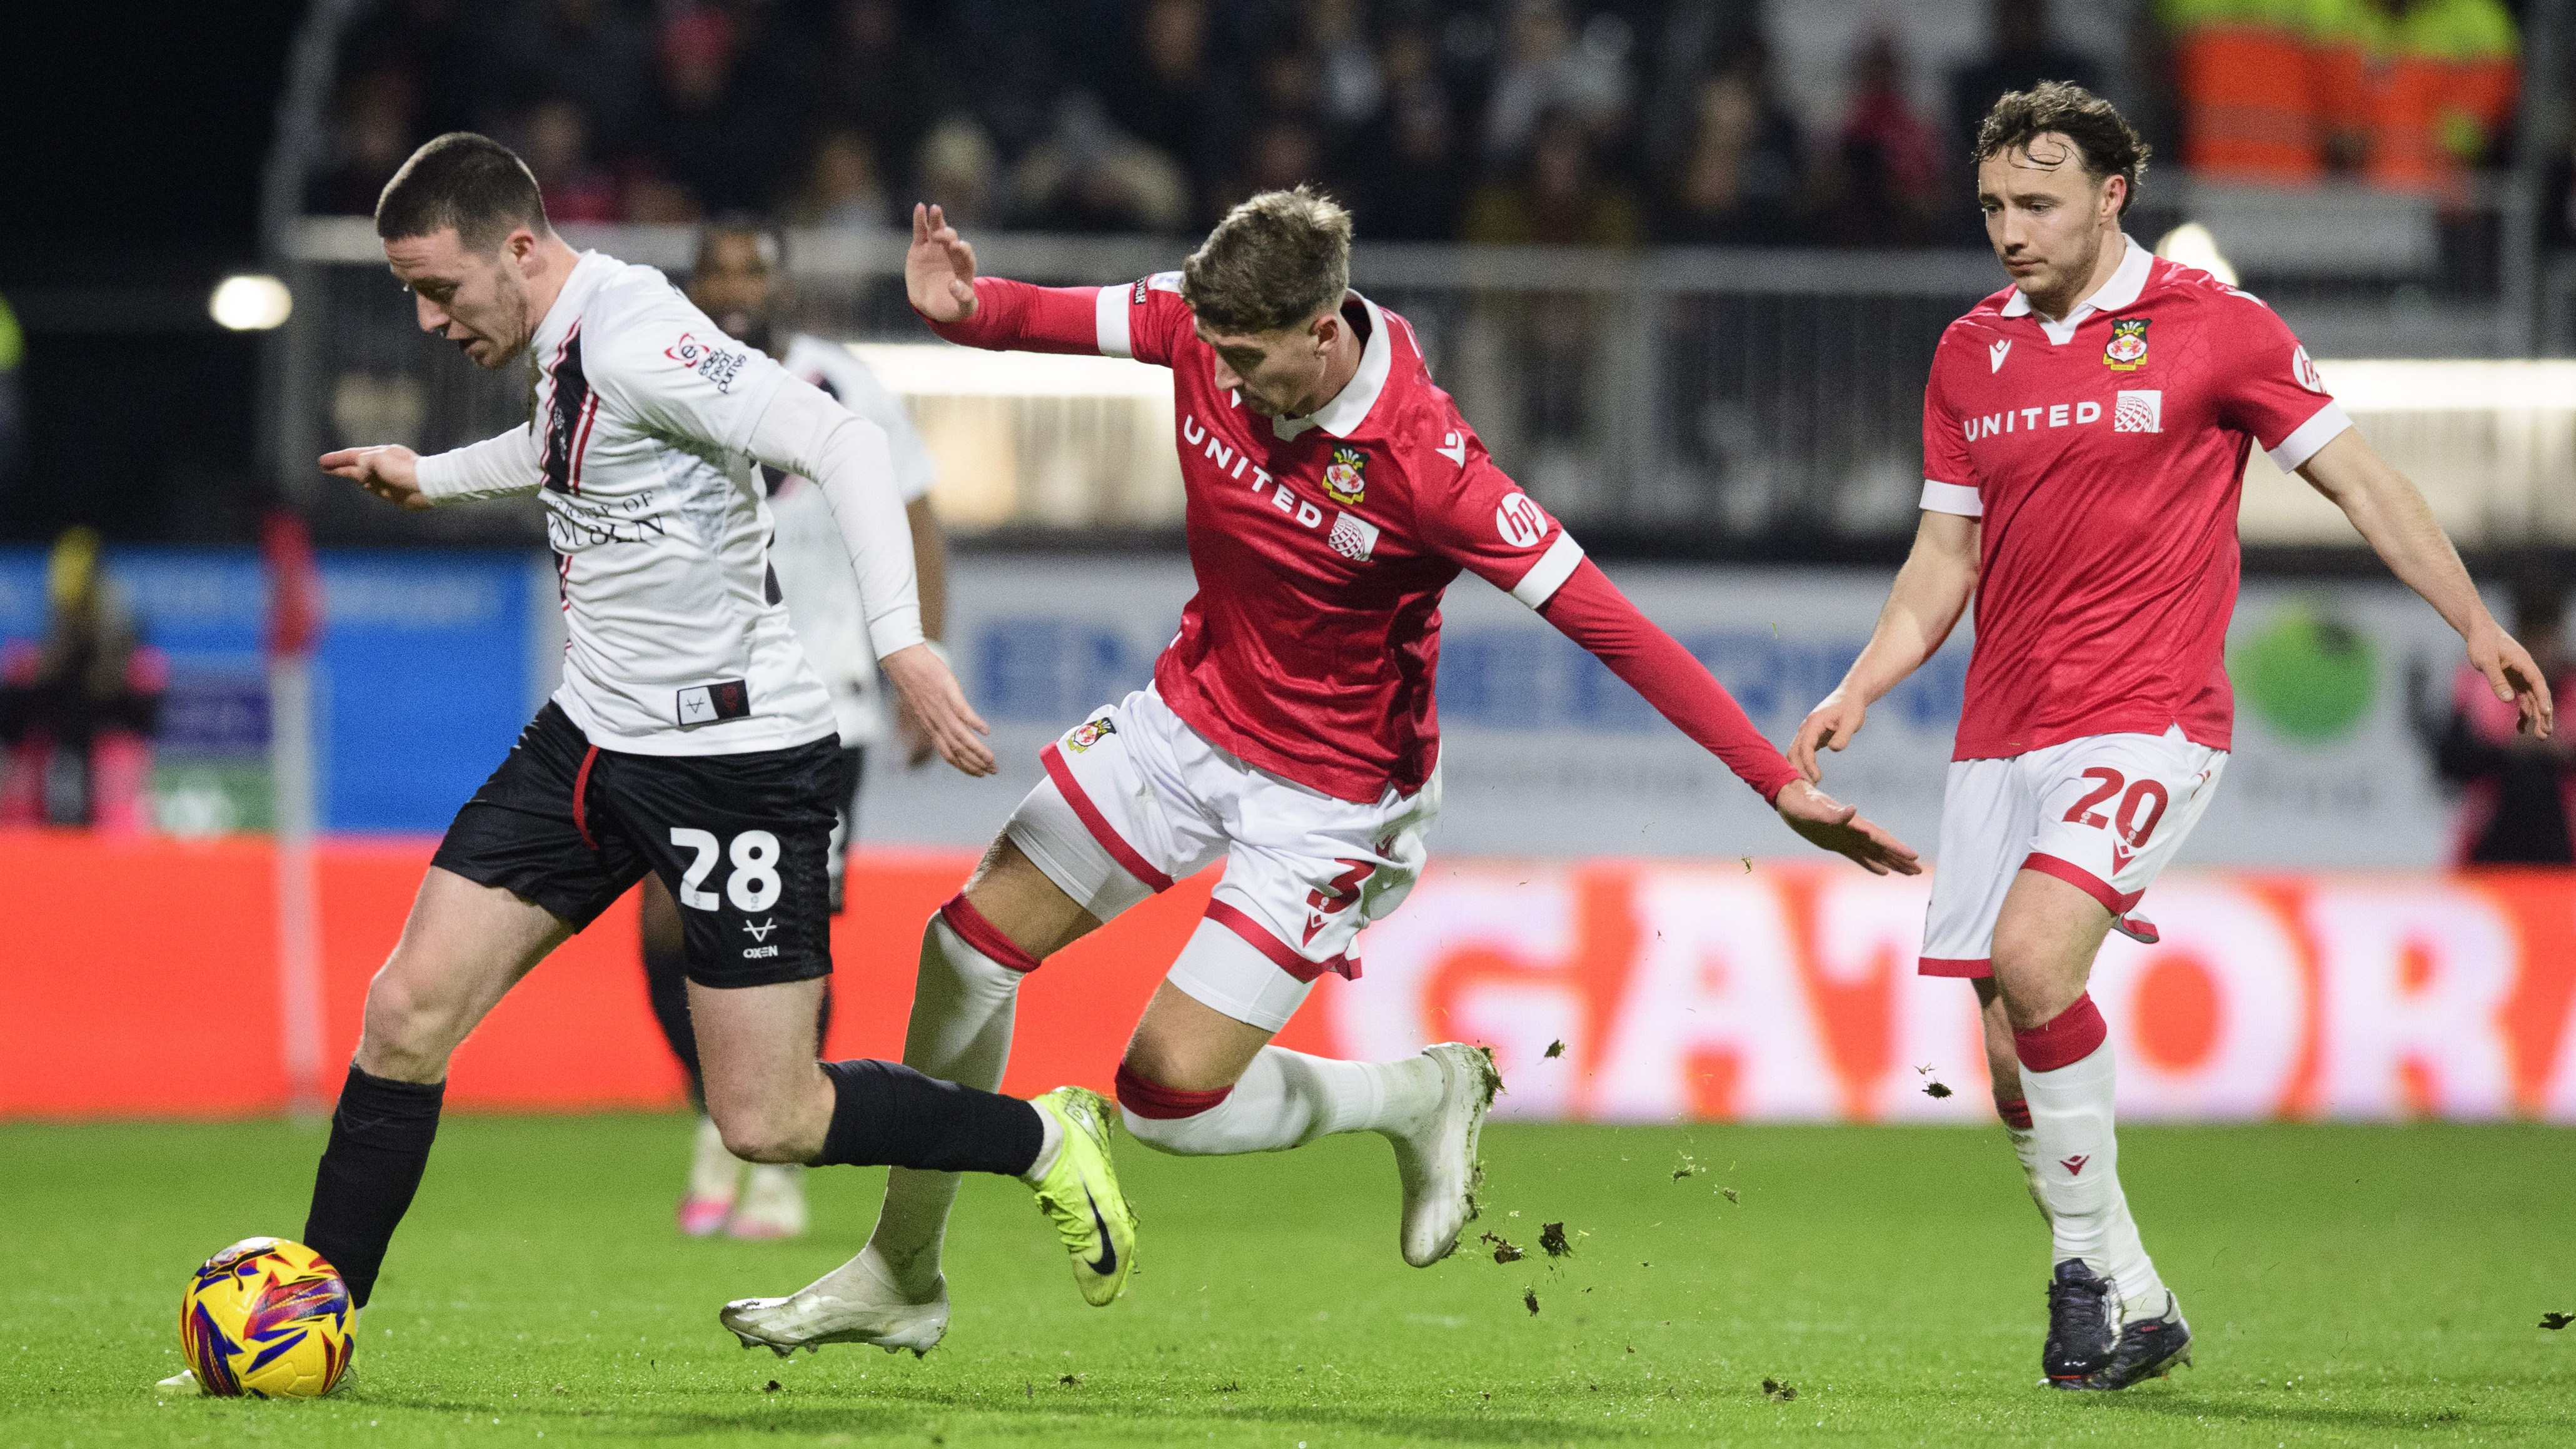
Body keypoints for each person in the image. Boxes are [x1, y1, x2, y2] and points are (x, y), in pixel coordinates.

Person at [718, 186, 1923, 1356]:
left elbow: (1615, 627)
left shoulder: (1432, 465)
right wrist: (961, 308)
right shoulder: (1202, 326)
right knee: (966, 946)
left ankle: (1415, 1095)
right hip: (1189, 721)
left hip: (1334, 796)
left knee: (1164, 1104)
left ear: (1323, 328)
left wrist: (1777, 781)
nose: (1224, 378)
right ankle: (904, 1272)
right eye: (1214, 351)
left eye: (1249, 358)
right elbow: (1046, 316)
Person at [158, 134, 1136, 1390]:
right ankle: (310, 1325)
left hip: (733, 756)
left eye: (438, 287)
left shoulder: (635, 333)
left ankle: (1037, 1136)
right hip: (590, 733)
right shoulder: (565, 340)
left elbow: (838, 444)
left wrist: (902, 645)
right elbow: (564, 451)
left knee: (767, 1123)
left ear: (519, 248)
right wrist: (431, 474)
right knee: (404, 1015)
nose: (423, 316)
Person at [1790, 83, 2554, 1392]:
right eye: (1989, 207)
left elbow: (2359, 478)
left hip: (2147, 713)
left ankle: (2079, 1272)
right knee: (2001, 1038)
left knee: (2035, 960)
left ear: (2109, 196)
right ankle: (2136, 1297)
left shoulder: (2217, 330)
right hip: (1998, 732)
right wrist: (1864, 680)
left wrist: (2470, 619)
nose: (2007, 232)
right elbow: (1941, 553)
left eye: (2035, 203)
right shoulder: (1970, 350)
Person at [645, 216, 950, 1241]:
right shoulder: (658, 382)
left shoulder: (841, 386)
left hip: (822, 705)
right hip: (689, 703)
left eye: (751, 268)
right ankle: (718, 1113)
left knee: (792, 933)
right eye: (716, 267)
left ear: (780, 285)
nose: (733, 284)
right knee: (665, 924)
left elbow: (914, 517)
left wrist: (922, 659)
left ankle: (779, 1159)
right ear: (692, 284)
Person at [2417, 572, 2576, 863]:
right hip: (2489, 850)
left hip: (2563, 853)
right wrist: (2511, 748)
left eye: (2548, 638)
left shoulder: (2572, 689)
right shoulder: (2478, 685)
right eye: (2533, 638)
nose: (2541, 651)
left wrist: (2562, 750)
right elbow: (2449, 762)